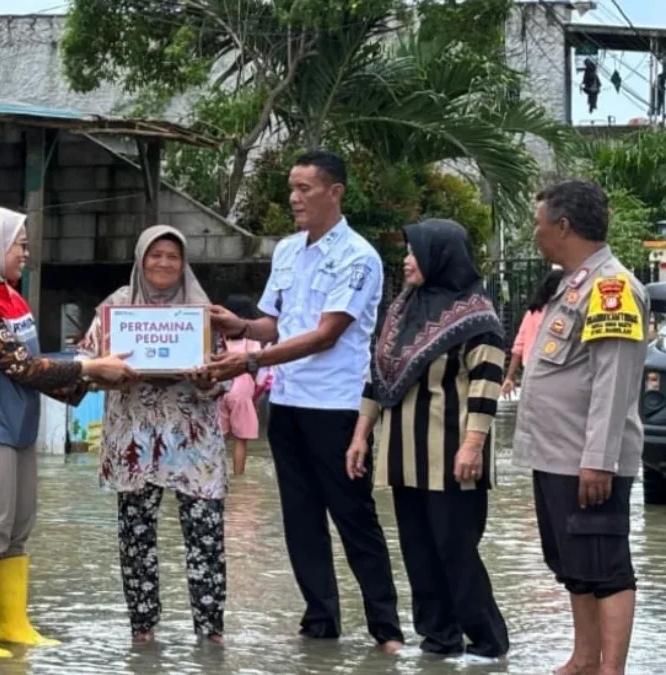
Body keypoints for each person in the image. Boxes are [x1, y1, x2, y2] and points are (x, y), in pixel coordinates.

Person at [204, 150, 404, 651]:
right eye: (290, 188)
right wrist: (242, 328)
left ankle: (386, 628)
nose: (293, 198)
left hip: (336, 405)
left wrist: (252, 362)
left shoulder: (358, 256)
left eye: (304, 189)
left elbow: (325, 335)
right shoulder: (288, 251)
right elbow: (276, 323)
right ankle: (320, 621)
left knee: (353, 516)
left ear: (334, 192)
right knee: (299, 517)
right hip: (289, 403)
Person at [0, 206, 134, 658]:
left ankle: (11, 623)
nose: (26, 253)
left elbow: (36, 369)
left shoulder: (8, 296)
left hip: (17, 427)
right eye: (18, 244)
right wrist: (90, 367)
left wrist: (92, 378)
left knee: (18, 528)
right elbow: (21, 365)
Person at [348, 219, 509, 658]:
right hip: (404, 456)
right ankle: (438, 640)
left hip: (454, 457)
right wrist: (361, 435)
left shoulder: (478, 316)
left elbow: (487, 384)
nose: (407, 260)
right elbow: (376, 377)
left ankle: (488, 642)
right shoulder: (401, 312)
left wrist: (473, 445)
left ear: (441, 256)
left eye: (414, 252)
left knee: (456, 552)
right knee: (418, 553)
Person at [514, 180, 646, 675]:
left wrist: (599, 459)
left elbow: (613, 382)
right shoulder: (571, 284)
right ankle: (585, 657)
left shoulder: (611, 289)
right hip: (555, 453)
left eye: (539, 222)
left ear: (563, 226)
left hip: (586, 457)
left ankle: (611, 668)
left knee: (605, 566)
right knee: (572, 563)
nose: (536, 232)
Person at [75, 225, 229, 644]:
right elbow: (85, 365)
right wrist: (111, 375)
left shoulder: (202, 311)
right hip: (134, 441)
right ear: (140, 259)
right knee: (136, 536)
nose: (163, 263)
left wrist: (206, 382)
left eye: (173, 256)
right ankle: (143, 630)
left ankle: (210, 630)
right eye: (155, 255)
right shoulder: (117, 307)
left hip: (194, 441)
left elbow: (225, 377)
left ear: (184, 263)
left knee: (206, 536)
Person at [219, 294, 271, 476]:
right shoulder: (250, 338)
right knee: (241, 439)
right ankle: (238, 479)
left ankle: (216, 476)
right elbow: (256, 365)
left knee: (219, 437)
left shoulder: (219, 337)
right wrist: (255, 394)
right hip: (241, 387)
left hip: (219, 387)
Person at [502, 267, 565, 398]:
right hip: (551, 371)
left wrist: (509, 377)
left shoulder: (532, 313)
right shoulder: (560, 315)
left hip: (530, 371)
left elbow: (518, 347)